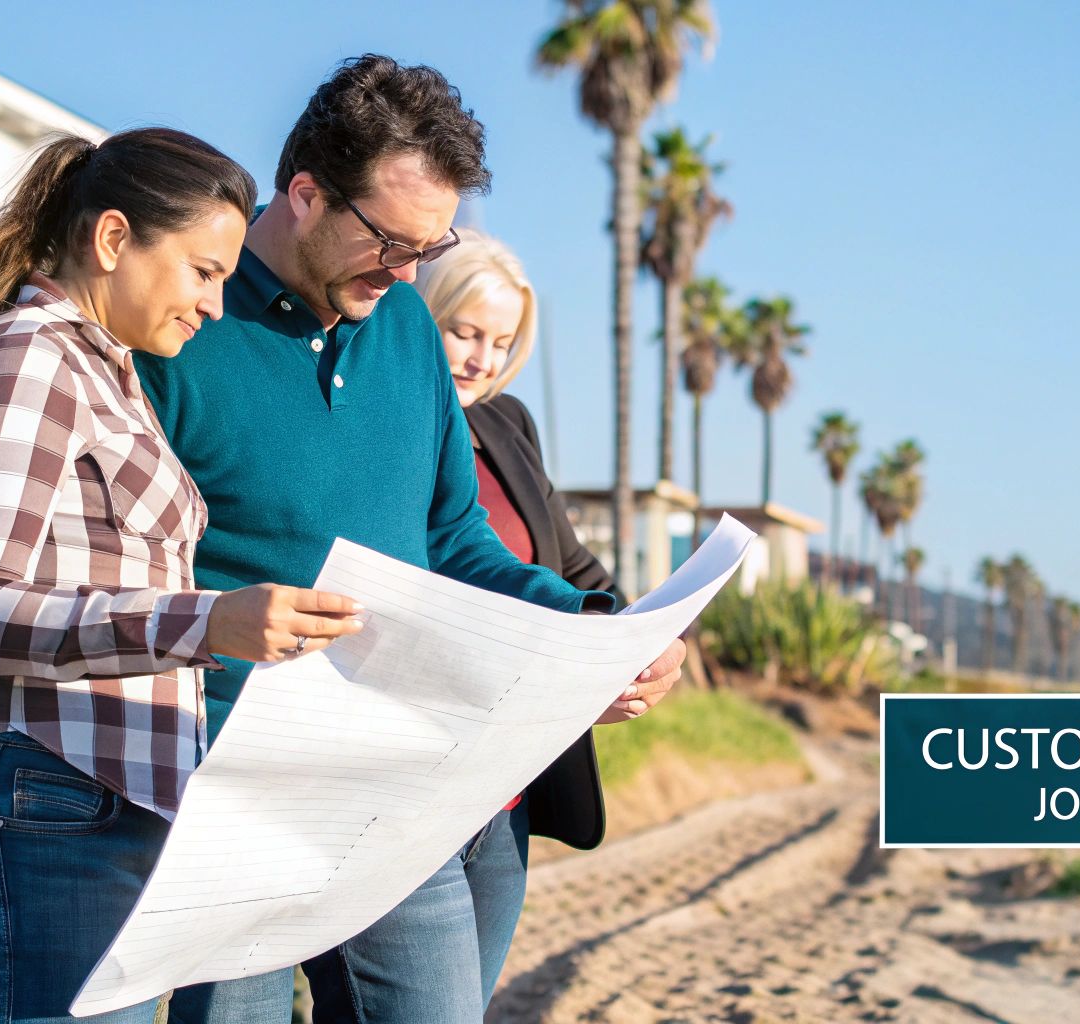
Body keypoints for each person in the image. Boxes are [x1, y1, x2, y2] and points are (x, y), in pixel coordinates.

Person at [133, 56, 687, 1023]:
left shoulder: (407, 333)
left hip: (391, 782)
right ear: (306, 193)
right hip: (225, 790)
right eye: (390, 241)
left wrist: (592, 628)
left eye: (430, 249)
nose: (405, 273)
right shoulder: (181, 324)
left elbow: (456, 538)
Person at [0, 127, 363, 1024]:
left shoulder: (108, 376)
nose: (215, 305)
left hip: (85, 810)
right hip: (33, 807)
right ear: (112, 239)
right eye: (203, 272)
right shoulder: (25, 361)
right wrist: (205, 622)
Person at [296, 230, 614, 1015]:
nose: (481, 360)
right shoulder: (365, 415)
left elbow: (572, 568)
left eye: (501, 343)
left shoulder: (509, 426)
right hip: (397, 785)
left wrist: (628, 631)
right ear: (416, 314)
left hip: (502, 793)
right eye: (464, 332)